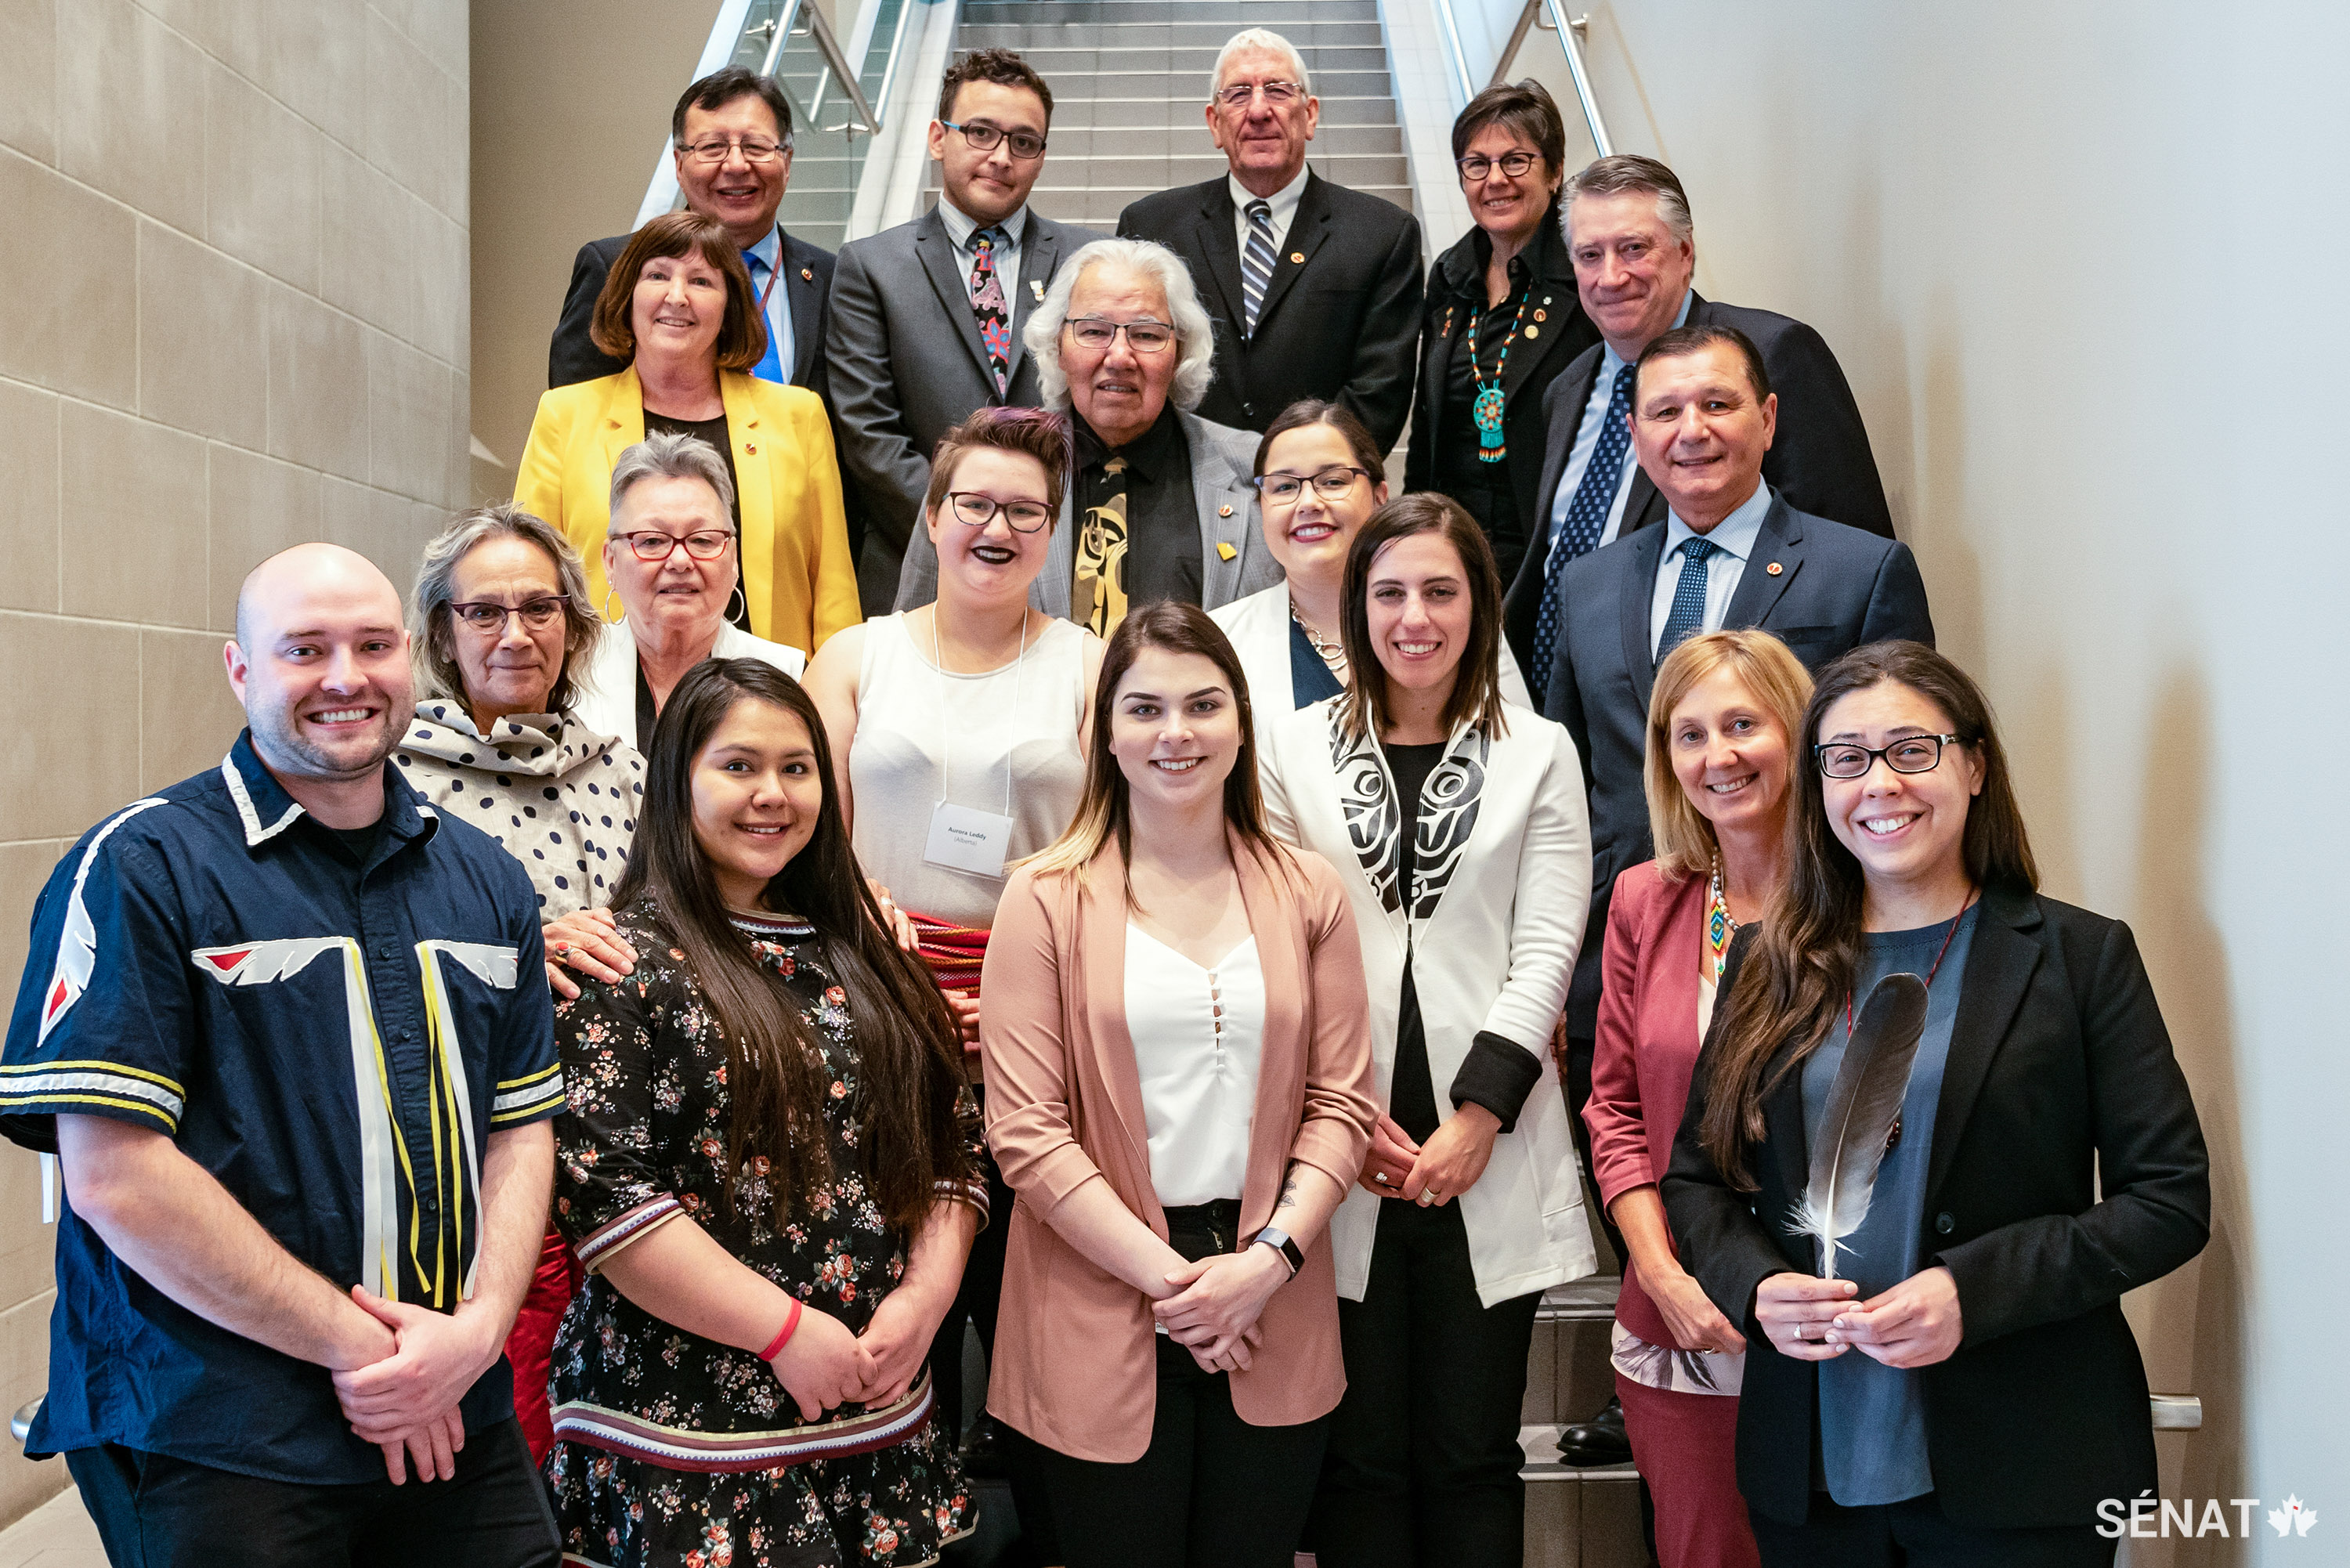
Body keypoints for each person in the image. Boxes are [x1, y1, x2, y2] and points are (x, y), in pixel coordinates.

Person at [0, 544, 563, 1565]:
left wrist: (477, 1330)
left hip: (447, 1404)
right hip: (219, 1426)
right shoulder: (142, 864)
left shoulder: (487, 881)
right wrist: (365, 1352)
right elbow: (116, 1176)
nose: (344, 676)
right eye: (305, 648)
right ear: (240, 670)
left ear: (410, 660)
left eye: (372, 644)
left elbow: (519, 1127)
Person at [1664, 641, 2210, 1566]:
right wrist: (1756, 1285)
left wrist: (1973, 1288)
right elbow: (1698, 1183)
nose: (1880, 783)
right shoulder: (1769, 962)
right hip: (1812, 1469)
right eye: (1847, 758)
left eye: (1911, 749)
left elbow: (2168, 1201)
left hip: (2026, 1458)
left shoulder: (2079, 957)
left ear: (1975, 764)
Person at [1541, 326, 1933, 1458]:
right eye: (1663, 412)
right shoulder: (1592, 579)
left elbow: (1901, 755)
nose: (1691, 431)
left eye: (1717, 404)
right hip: (1651, 938)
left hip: (1850, 1285)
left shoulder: (1860, 569)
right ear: (1634, 434)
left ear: (1768, 418)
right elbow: (1578, 771)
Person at [544, 659, 986, 1567]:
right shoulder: (615, 963)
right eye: (738, 765)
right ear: (677, 781)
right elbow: (608, 1199)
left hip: (876, 1407)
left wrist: (927, 1298)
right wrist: (784, 1332)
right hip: (689, 1437)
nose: (772, 795)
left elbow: (952, 1144)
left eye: (797, 767)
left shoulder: (871, 954)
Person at [979, 602, 1378, 1568]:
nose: (1176, 733)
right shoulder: (1044, 894)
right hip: (1100, 1292)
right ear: (1105, 732)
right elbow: (1026, 1132)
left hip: (1270, 1292)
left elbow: (1342, 1105)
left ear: (1240, 724)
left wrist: (1263, 1266)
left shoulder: (1308, 888)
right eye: (1145, 708)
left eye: (1203, 705)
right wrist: (1178, 1289)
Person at [1254, 496, 1596, 1568]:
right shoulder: (1291, 749)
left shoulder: (1538, 752)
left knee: (1471, 1453)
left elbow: (1547, 948)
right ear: (1356, 608)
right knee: (1358, 1459)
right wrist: (1346, 1119)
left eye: (1441, 591)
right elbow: (1278, 941)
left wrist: (1477, 1116)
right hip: (1337, 1146)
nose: (1415, 616)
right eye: (1390, 591)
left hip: (1483, 1147)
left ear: (1478, 606)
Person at [802, 405, 1100, 1529]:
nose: (997, 524)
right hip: (873, 997)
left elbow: (1109, 843)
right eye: (973, 502)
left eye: (1026, 509)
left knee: (1028, 1295)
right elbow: (802, 829)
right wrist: (877, 948)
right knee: (886, 1279)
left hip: (1038, 1013)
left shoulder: (1088, 661)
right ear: (931, 517)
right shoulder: (857, 655)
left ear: (1051, 528)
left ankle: (1040, 1522)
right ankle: (893, 1519)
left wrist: (1018, 989)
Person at [393, 504, 648, 1467]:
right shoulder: (390, 778)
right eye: (484, 611)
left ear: (577, 628)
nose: (515, 633)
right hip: (479, 1137)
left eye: (540, 608)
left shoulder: (620, 771)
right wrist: (519, 948)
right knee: (514, 1401)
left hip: (622, 1133)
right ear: (443, 633)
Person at [1582, 629, 1814, 1567]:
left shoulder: (1864, 898)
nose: (1717, 756)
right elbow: (1616, 1112)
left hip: (1823, 1309)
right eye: (1689, 734)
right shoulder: (1649, 897)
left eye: (1743, 724)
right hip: (1679, 1314)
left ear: (1799, 732)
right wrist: (1665, 1276)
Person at [1506, 154, 1893, 681]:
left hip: (1740, 710)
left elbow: (1849, 570)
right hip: (1581, 710)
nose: (1610, 276)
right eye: (1589, 255)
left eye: (1634, 248)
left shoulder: (1774, 354)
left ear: (1685, 253)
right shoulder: (1565, 391)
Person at [829, 49, 1103, 612]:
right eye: (980, 132)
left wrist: (1035, 532)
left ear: (1041, 156)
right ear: (938, 137)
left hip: (1061, 570)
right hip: (917, 569)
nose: (1001, 156)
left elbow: (1103, 412)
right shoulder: (869, 266)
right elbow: (869, 434)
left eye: (1023, 141)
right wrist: (966, 526)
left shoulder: (1088, 260)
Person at [516, 210, 857, 656]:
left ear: (730, 305)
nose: (677, 296)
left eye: (701, 281)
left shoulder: (798, 416)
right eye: (657, 275)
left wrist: (835, 700)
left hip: (767, 699)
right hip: (602, 701)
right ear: (627, 295)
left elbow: (832, 587)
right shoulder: (564, 415)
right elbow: (530, 578)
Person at [895, 239, 1279, 630]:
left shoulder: (1260, 474)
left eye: (1146, 335)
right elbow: (917, 635)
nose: (1119, 357)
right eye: (1094, 331)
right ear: (1058, 346)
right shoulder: (978, 472)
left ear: (1179, 353)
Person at [1118, 29, 1423, 451]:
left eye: (1278, 91)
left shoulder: (1384, 234)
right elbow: (1134, 364)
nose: (1259, 110)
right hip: (1179, 481)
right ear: (1215, 123)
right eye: (1239, 94)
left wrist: (1298, 476)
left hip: (1317, 490)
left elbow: (1380, 389)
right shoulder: (1153, 227)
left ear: (1310, 114)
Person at [1216, 400, 1535, 717]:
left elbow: (1518, 748)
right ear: (1260, 508)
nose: (1308, 503)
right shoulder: (1221, 638)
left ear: (1380, 497)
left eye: (1333, 481)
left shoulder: (1450, 621)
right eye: (1284, 487)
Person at [1405, 81, 1600, 588]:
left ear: (1555, 172)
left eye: (1516, 161)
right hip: (1454, 542)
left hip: (1550, 545)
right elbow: (1428, 425)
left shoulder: (1588, 272)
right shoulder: (1448, 275)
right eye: (1477, 164)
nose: (1496, 180)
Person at [549, 68, 835, 398]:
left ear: (786, 161)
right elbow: (576, 413)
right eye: (713, 147)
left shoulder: (834, 279)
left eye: (756, 146)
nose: (737, 165)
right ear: (678, 164)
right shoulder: (615, 267)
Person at [564, 432, 813, 760]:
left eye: (702, 540)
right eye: (652, 541)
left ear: (734, 559)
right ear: (610, 561)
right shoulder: (566, 677)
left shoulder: (790, 676)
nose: (680, 561)